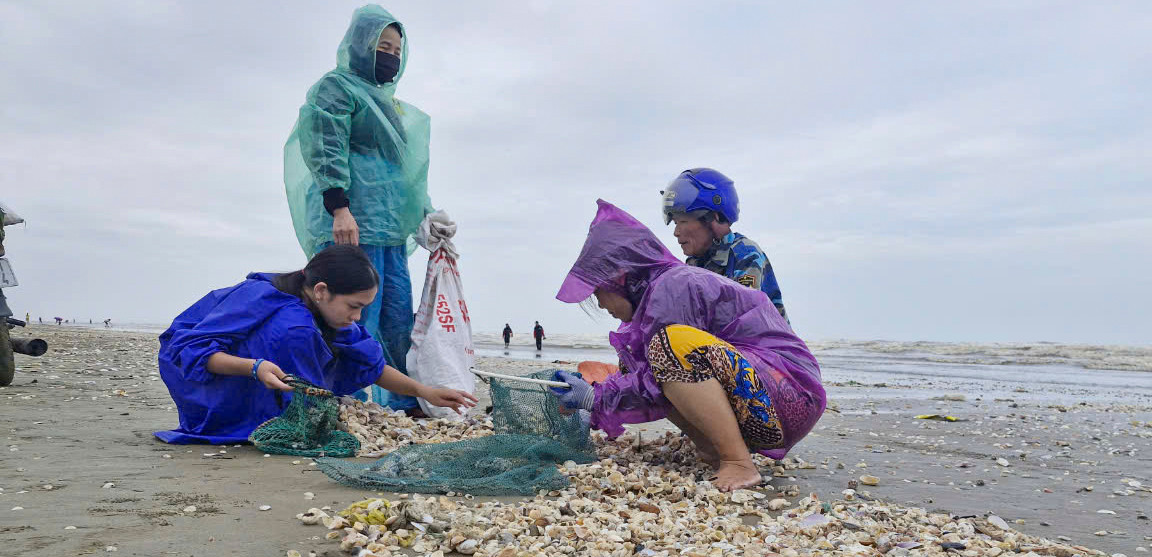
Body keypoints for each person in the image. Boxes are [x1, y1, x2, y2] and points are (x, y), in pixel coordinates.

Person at [551, 201, 825, 492]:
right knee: (647, 364)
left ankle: (739, 462)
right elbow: (648, 381)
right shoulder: (658, 292)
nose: (601, 304)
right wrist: (597, 395)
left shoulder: (672, 286)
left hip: (790, 396)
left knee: (670, 348)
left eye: (599, 293)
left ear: (619, 277)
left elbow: (659, 372)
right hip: (767, 399)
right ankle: (713, 447)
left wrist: (596, 399)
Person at [154, 245, 475, 444]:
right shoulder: (263, 300)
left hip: (265, 370)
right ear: (321, 290)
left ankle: (293, 407)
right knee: (295, 331)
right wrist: (254, 367)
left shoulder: (331, 313)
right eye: (353, 306)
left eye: (364, 306)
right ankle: (258, 417)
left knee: (338, 338)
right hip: (208, 383)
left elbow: (371, 366)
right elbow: (193, 353)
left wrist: (425, 392)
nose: (358, 315)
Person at [284, 5, 433, 414]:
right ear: (359, 46)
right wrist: (339, 207)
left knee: (396, 316)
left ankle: (402, 400)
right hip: (349, 220)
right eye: (382, 46)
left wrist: (426, 215)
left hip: (388, 226)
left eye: (397, 50)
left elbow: (406, 170)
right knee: (351, 314)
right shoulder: (336, 88)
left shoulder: (392, 106)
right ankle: (344, 398)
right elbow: (324, 144)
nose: (391, 55)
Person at [661, 168, 788, 321]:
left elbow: (741, 317)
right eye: (675, 223)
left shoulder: (744, 254)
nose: (676, 232)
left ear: (713, 218)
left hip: (765, 344)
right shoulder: (695, 265)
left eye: (683, 222)